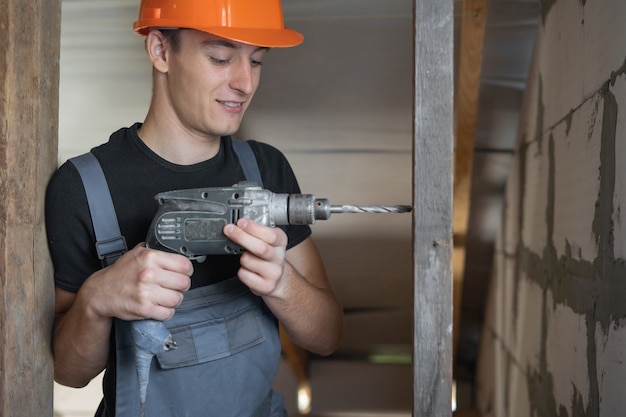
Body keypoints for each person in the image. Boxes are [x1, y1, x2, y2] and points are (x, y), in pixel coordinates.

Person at [45, 1, 344, 416]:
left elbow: (327, 336)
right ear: (160, 51)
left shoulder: (264, 170)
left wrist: (282, 285)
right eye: (221, 58)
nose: (245, 82)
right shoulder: (83, 188)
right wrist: (96, 300)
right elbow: (68, 372)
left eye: (256, 61)